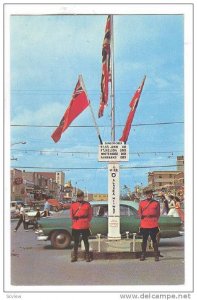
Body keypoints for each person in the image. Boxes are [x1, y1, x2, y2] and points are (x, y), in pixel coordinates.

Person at [70, 190, 92, 262]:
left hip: (84, 224)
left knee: (86, 241)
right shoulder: (73, 205)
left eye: (81, 196)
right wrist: (74, 222)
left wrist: (87, 221)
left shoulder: (87, 204)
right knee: (76, 241)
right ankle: (74, 256)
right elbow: (71, 215)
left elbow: (90, 215)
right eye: (78, 196)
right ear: (77, 197)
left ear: (83, 197)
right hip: (76, 224)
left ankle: (87, 256)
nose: (80, 198)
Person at [138, 189, 160, 261]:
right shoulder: (142, 202)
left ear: (152, 194)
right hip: (144, 223)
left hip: (153, 223)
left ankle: (156, 255)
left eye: (150, 193)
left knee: (154, 239)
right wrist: (142, 219)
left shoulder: (156, 203)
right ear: (145, 194)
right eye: (147, 193)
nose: (149, 195)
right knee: (144, 239)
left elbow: (158, 214)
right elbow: (139, 212)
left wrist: (155, 220)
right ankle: (143, 254)